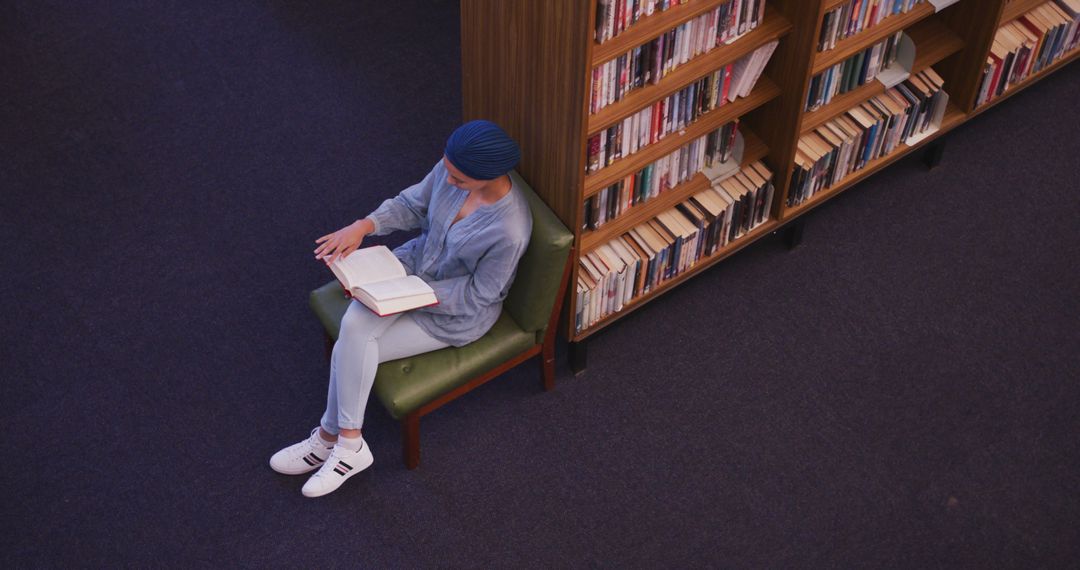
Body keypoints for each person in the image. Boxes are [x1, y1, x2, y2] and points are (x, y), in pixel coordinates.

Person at [269, 120, 532, 497]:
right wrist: (364, 226)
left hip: (453, 316)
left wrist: (416, 294)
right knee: (356, 328)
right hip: (409, 269)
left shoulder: (510, 231)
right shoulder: (450, 169)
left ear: (488, 177)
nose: (448, 180)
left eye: (458, 179)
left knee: (352, 338)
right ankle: (345, 443)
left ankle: (332, 439)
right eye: (447, 169)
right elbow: (412, 204)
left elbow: (480, 295)